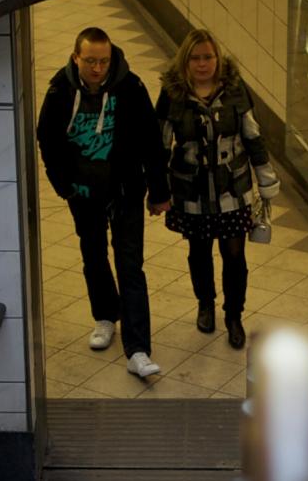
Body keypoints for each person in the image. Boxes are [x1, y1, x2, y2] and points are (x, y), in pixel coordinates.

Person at [37, 26, 167, 379]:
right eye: (90, 61)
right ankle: (106, 316)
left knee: (130, 266)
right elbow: (46, 139)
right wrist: (64, 185)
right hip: (83, 193)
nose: (97, 68)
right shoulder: (60, 90)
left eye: (103, 61)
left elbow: (152, 141)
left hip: (125, 190)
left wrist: (158, 192)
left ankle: (138, 348)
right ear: (75, 57)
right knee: (93, 256)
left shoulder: (131, 87)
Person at [152, 29, 280, 351]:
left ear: (217, 59)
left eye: (208, 57)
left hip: (232, 191)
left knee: (234, 255)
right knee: (199, 251)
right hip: (191, 192)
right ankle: (205, 303)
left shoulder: (236, 90)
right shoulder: (173, 94)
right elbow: (160, 144)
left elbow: (253, 137)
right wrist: (156, 189)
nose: (202, 64)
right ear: (186, 61)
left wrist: (265, 177)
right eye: (195, 58)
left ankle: (234, 315)